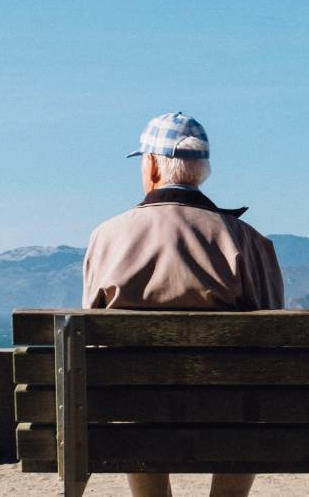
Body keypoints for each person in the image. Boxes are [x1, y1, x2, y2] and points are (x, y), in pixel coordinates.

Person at [83, 112, 284, 497]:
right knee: (251, 404)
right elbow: (273, 341)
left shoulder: (106, 237)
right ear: (202, 171)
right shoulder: (247, 240)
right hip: (227, 415)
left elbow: (92, 340)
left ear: (153, 164)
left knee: (129, 399)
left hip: (135, 413)